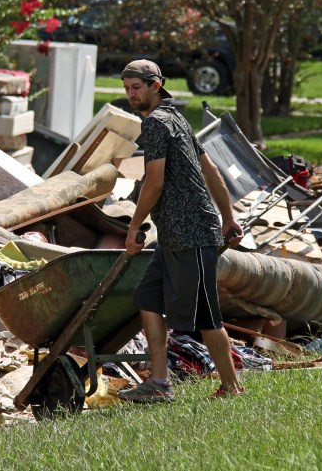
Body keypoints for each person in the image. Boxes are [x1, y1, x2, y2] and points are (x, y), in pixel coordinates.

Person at [116, 59, 245, 403]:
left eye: (136, 88)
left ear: (155, 86)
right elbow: (209, 169)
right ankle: (160, 382)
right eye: (127, 89)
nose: (131, 95)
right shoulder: (176, 119)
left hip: (193, 234)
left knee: (206, 315)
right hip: (172, 236)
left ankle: (231, 387)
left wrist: (132, 227)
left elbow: (154, 183)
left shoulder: (158, 124)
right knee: (148, 299)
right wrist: (228, 217)